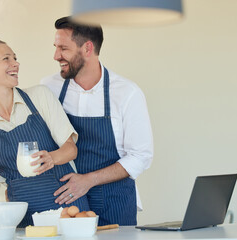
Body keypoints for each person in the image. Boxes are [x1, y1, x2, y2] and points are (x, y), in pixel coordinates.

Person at [0, 38, 89, 227]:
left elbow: (70, 149)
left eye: (15, 58)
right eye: (6, 59)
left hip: (67, 209)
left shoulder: (39, 97)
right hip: (23, 221)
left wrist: (51, 158)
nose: (16, 63)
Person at [41, 17, 154, 226]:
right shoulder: (48, 88)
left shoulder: (127, 93)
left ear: (87, 48)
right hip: (67, 203)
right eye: (56, 47)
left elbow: (141, 156)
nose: (56, 56)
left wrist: (88, 180)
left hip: (115, 202)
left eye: (63, 48)